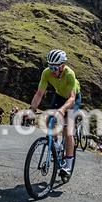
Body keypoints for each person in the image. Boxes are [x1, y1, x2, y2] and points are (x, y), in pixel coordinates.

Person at [28, 49, 81, 179]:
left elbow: (72, 98)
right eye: (50, 66)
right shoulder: (46, 73)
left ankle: (68, 166)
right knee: (48, 119)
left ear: (62, 66)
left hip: (72, 97)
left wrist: (62, 110)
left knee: (68, 129)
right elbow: (39, 93)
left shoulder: (69, 74)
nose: (52, 70)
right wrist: (32, 108)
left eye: (55, 67)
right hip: (58, 96)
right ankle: (56, 145)